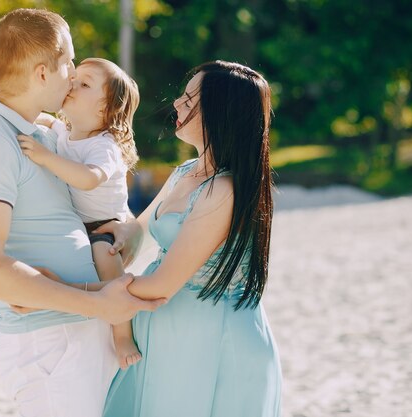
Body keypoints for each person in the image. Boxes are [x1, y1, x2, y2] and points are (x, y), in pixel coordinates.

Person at [0, 9, 163, 417]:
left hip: (79, 327)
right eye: (69, 65)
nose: (73, 75)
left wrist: (129, 230)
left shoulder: (40, 134)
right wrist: (99, 305)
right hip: (48, 346)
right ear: (43, 73)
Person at [100, 61, 282, 416]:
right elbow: (139, 230)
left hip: (212, 341)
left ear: (220, 111)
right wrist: (117, 234)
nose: (178, 105)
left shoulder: (223, 190)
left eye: (189, 99)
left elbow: (163, 284)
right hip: (169, 336)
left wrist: (75, 293)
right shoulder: (187, 172)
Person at [16, 57, 142, 370]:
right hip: (75, 223)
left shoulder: (104, 145)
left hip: (105, 225)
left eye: (84, 84)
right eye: (74, 79)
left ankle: (122, 332)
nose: (72, 84)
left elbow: (88, 178)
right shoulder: (63, 131)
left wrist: (46, 158)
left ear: (106, 109)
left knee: (105, 258)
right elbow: (39, 117)